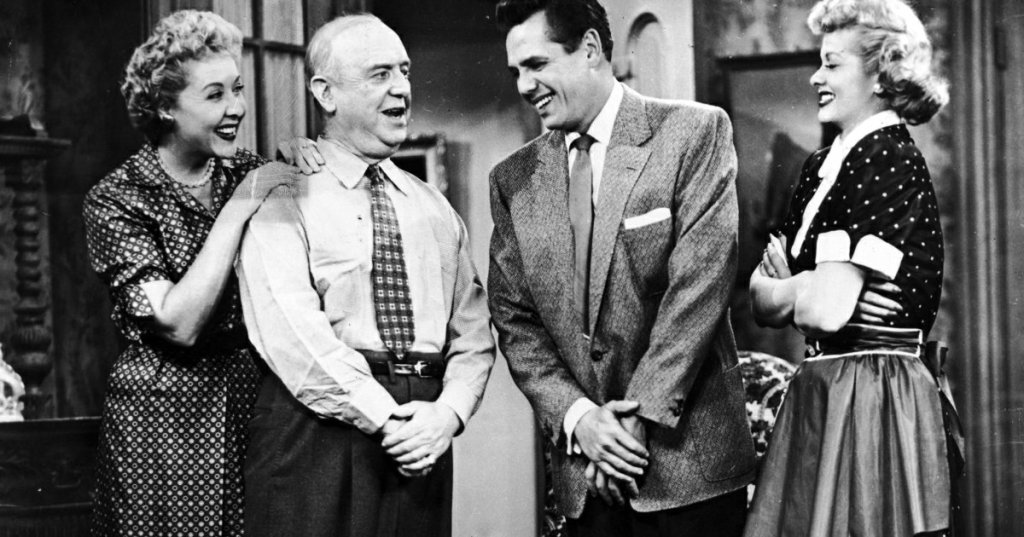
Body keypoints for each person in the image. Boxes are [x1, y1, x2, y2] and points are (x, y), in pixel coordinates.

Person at [488, 1, 757, 535]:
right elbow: (515, 323)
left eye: (536, 65)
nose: (523, 85)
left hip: (690, 474)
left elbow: (699, 290)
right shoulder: (512, 180)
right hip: (586, 481)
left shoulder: (693, 133)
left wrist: (636, 420)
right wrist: (580, 419)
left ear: (590, 49)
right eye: (516, 71)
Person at [234, 14, 495, 537]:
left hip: (422, 434)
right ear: (325, 93)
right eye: (380, 74)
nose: (401, 88)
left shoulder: (434, 207)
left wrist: (447, 415)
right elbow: (292, 335)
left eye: (404, 71)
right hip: (316, 430)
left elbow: (473, 334)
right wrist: (388, 418)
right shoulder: (283, 195)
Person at [744, 0, 959, 536]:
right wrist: (807, 286)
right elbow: (760, 300)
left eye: (832, 64)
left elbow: (821, 313)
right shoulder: (821, 165)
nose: (815, 77)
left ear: (882, 75)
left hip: (873, 393)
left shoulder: (886, 155)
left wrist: (797, 289)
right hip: (824, 384)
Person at [82, 10, 300, 536]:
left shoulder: (249, 171)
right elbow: (178, 323)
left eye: (238, 89)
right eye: (215, 95)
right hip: (161, 422)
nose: (237, 108)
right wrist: (240, 207)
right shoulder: (117, 198)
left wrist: (307, 165)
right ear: (165, 106)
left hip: (255, 404)